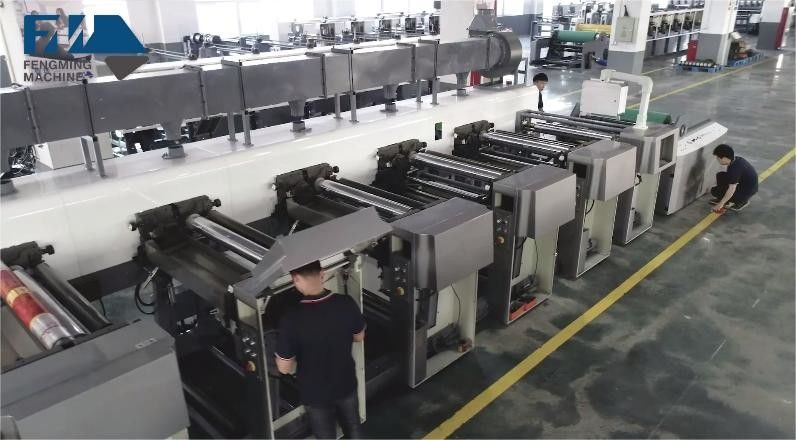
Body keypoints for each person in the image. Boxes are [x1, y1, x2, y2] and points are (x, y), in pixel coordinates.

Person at [275, 260, 366, 439]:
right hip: (345, 382)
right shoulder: (346, 302)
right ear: (322, 273)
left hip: (315, 393)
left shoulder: (291, 319)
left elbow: (284, 368)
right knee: (354, 428)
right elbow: (359, 337)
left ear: (295, 279)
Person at [710, 144, 758, 212]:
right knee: (720, 175)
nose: (717, 160)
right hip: (747, 186)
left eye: (718, 158)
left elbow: (732, 189)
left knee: (714, 191)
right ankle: (727, 199)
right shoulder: (736, 160)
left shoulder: (735, 169)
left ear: (724, 158)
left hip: (746, 192)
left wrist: (720, 204)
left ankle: (741, 201)